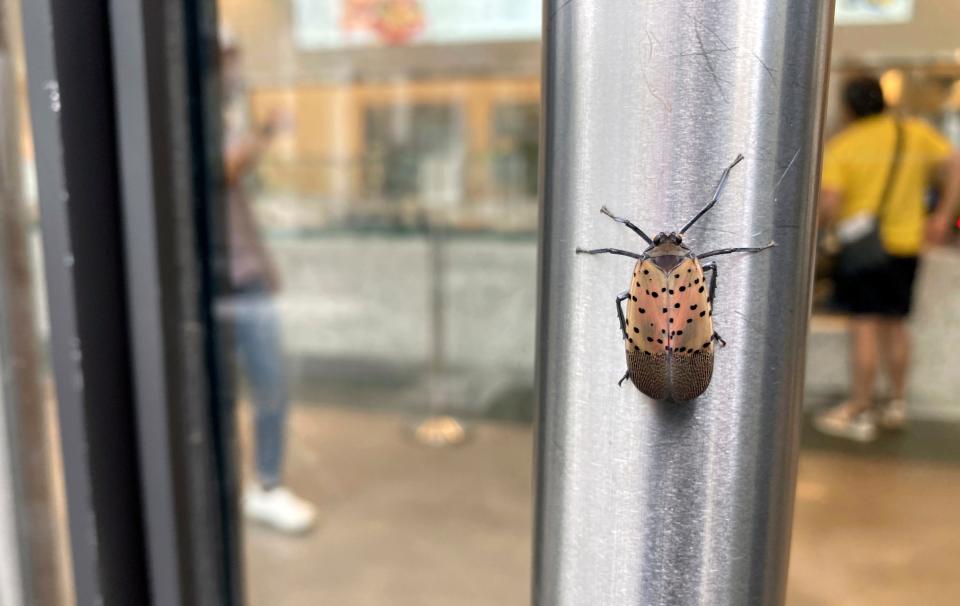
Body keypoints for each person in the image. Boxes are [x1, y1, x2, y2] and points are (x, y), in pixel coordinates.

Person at [815, 76, 960, 442]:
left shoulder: (843, 146)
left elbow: (830, 202)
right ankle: (897, 403)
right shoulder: (913, 133)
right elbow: (955, 164)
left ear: (848, 107)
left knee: (863, 324)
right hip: (906, 246)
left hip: (863, 248)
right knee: (895, 324)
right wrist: (943, 215)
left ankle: (860, 408)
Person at [221, 32, 317, 533]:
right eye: (227, 59)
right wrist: (266, 131)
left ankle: (266, 484)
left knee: (270, 383)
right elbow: (223, 169)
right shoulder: (187, 116)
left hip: (245, 277)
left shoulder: (222, 117)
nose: (234, 69)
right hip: (221, 282)